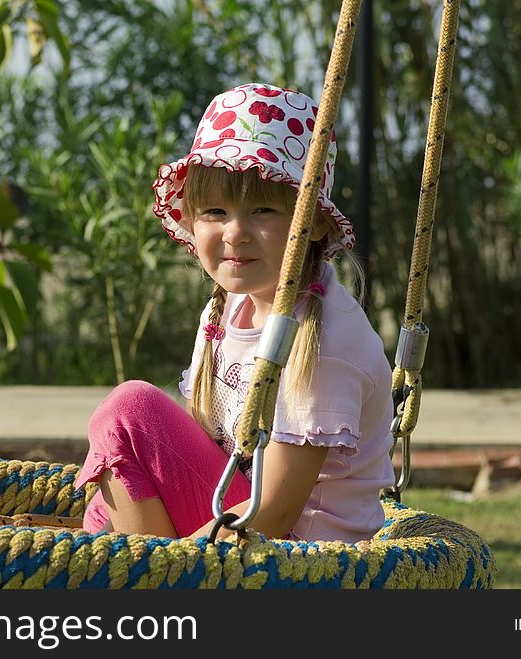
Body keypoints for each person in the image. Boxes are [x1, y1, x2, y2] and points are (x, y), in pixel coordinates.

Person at [73, 83, 395, 543]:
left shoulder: (325, 340)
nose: (235, 232)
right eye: (215, 211)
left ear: (316, 223)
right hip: (236, 513)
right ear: (191, 218)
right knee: (104, 507)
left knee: (128, 410)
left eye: (263, 210)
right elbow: (200, 442)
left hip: (298, 556)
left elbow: (275, 513)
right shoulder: (229, 306)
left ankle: (155, 580)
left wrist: (182, 564)